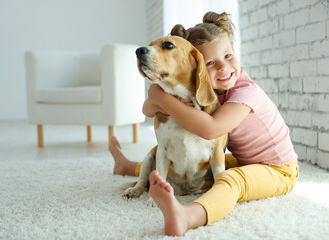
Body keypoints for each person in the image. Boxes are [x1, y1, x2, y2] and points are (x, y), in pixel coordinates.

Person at [109, 11, 299, 237]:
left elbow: (211, 130)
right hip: (246, 161)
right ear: (196, 67)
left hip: (279, 170)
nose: (223, 67)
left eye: (228, 56)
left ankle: (188, 216)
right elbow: (146, 110)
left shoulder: (247, 93)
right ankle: (128, 167)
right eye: (210, 62)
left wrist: (162, 99)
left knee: (231, 179)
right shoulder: (212, 92)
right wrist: (157, 97)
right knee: (188, 161)